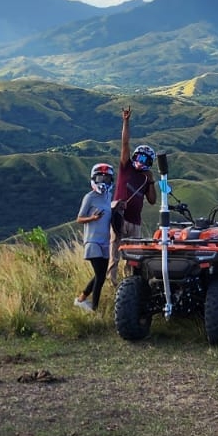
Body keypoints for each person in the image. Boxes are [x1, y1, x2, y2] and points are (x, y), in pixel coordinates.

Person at [109, 107, 158, 283]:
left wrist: (151, 181)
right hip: (119, 216)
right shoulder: (125, 167)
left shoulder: (146, 178)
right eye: (139, 157)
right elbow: (125, 143)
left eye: (145, 160)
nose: (140, 161)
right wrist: (126, 121)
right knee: (114, 251)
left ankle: (129, 282)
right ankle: (112, 282)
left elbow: (152, 201)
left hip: (135, 222)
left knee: (133, 256)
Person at [73, 162, 116, 312]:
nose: (103, 182)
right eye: (100, 178)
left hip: (105, 242)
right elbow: (79, 218)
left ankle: (81, 299)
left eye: (107, 179)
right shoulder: (89, 197)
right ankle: (95, 309)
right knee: (100, 275)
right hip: (92, 241)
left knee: (101, 275)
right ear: (93, 179)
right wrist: (92, 218)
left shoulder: (109, 196)